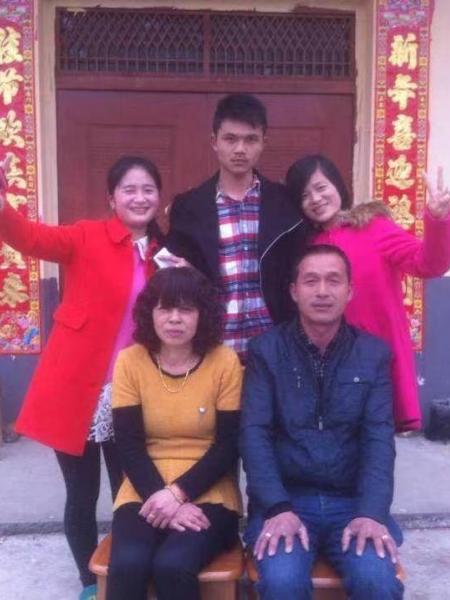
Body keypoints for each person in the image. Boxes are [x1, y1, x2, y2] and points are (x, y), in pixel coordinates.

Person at [0, 154, 164, 600]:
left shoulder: (164, 254)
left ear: (159, 197)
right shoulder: (86, 235)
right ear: (111, 198)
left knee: (130, 489)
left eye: (148, 189)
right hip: (77, 389)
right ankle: (90, 581)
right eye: (129, 189)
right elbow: (30, 237)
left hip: (132, 393)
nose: (139, 197)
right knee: (82, 492)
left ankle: (126, 571)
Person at [240, 244, 403, 600]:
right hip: (286, 501)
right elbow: (254, 434)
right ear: (294, 291)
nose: (323, 291)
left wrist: (371, 512)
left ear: (350, 290)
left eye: (333, 280)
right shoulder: (266, 351)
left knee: (376, 580)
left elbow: (378, 440)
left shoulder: (372, 354)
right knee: (282, 582)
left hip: (353, 503)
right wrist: (277, 507)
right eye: (311, 281)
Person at [286, 154, 450, 431]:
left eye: (321, 187)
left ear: (338, 185)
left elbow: (428, 264)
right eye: (304, 195)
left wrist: (437, 219)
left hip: (375, 364)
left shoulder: (373, 228)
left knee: (374, 445)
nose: (315, 199)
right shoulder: (305, 245)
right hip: (325, 365)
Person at [106, 267, 242, 600]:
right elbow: (128, 445)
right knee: (129, 563)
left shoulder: (224, 362)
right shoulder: (130, 362)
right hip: (143, 489)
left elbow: (228, 445)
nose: (175, 319)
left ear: (202, 315)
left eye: (186, 309)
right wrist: (164, 498)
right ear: (150, 314)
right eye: (165, 308)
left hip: (209, 490)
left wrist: (178, 495)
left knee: (173, 564)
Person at [166, 93, 310, 363]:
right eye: (230, 139)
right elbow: (174, 279)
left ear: (264, 142)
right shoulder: (188, 208)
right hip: (211, 350)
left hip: (277, 350)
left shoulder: (287, 203)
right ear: (214, 142)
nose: (240, 149)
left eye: (250, 139)